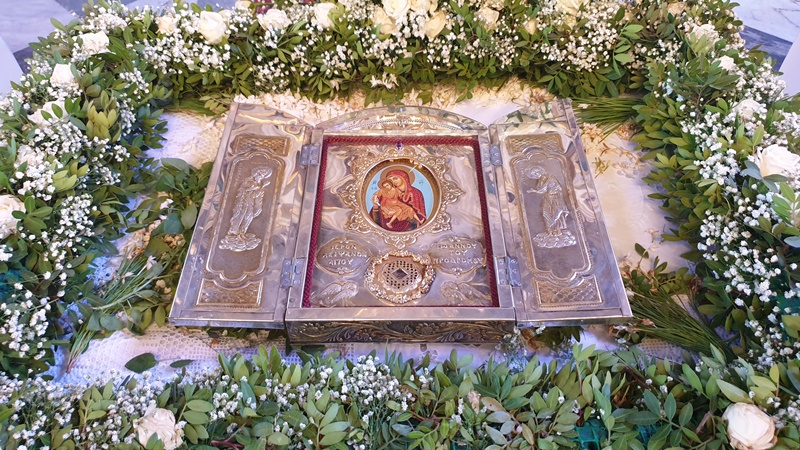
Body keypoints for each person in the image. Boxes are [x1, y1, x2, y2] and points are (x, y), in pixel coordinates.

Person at [219, 167, 272, 251]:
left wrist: (261, 188)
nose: (261, 176)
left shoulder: (258, 184)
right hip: (242, 203)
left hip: (250, 203)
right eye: (260, 174)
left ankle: (242, 233)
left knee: (248, 217)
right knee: (241, 216)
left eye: (263, 175)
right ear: (256, 174)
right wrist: (255, 188)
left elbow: (254, 195)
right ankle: (235, 233)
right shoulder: (247, 181)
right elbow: (242, 190)